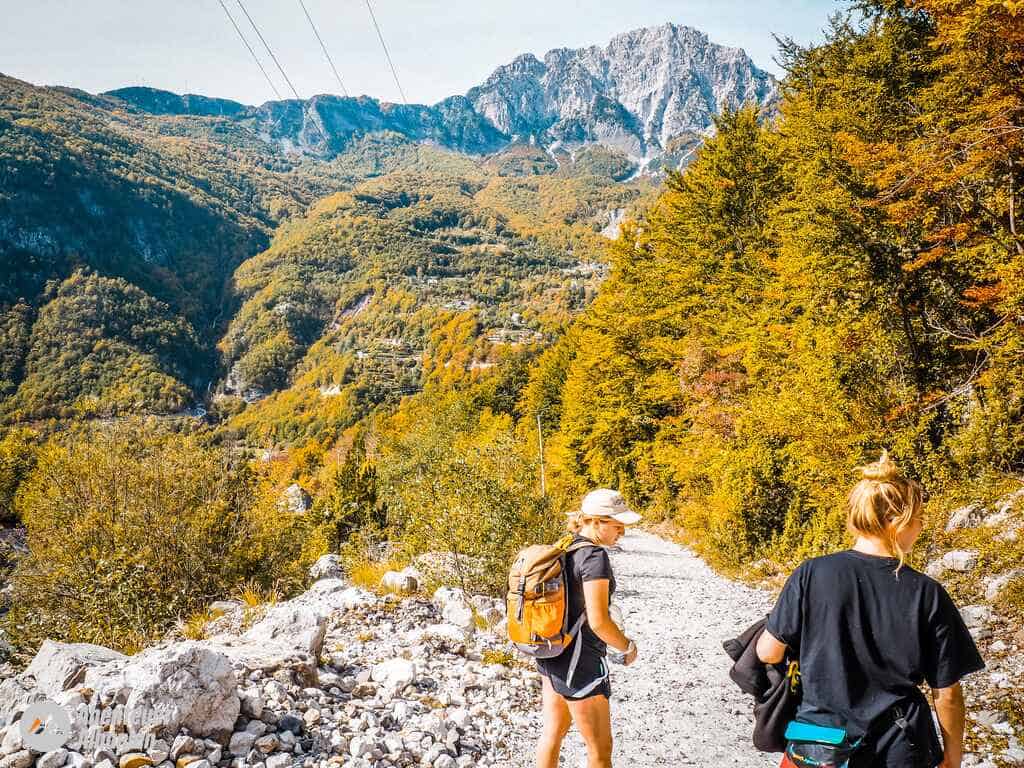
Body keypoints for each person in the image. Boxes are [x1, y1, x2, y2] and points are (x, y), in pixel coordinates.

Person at [756, 451, 985, 767]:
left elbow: (768, 652)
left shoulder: (811, 573)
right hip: (899, 746)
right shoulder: (926, 593)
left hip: (819, 744)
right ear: (896, 521)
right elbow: (947, 694)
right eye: (919, 518)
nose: (920, 527)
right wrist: (952, 758)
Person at [535, 488, 642, 768]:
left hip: (551, 653)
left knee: (552, 734)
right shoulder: (594, 557)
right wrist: (627, 646)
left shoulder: (565, 545)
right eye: (617, 525)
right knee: (600, 751)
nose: (622, 532)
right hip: (581, 663)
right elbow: (599, 621)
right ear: (595, 521)